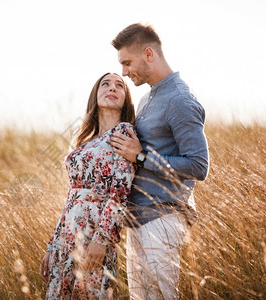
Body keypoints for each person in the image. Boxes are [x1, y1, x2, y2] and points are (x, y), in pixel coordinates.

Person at [109, 23, 209, 299]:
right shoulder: (147, 98)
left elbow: (199, 166)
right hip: (138, 221)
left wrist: (140, 156)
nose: (124, 72)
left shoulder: (179, 99)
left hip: (162, 218)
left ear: (149, 53)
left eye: (127, 63)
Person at [40, 72, 137, 299]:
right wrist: (52, 246)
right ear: (96, 94)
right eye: (106, 84)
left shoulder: (123, 133)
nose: (112, 88)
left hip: (94, 234)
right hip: (67, 235)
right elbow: (71, 197)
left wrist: (102, 240)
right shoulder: (85, 142)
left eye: (119, 85)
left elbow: (120, 192)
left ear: (125, 99)